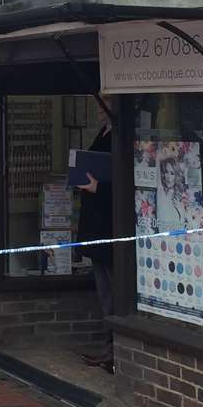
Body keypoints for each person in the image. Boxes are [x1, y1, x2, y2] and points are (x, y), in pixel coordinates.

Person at [76, 121, 114, 372]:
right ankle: (109, 347)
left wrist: (98, 187)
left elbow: (126, 180)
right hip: (96, 225)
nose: (100, 105)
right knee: (104, 291)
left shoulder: (124, 132)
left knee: (114, 290)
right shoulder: (103, 130)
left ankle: (115, 350)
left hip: (111, 225)